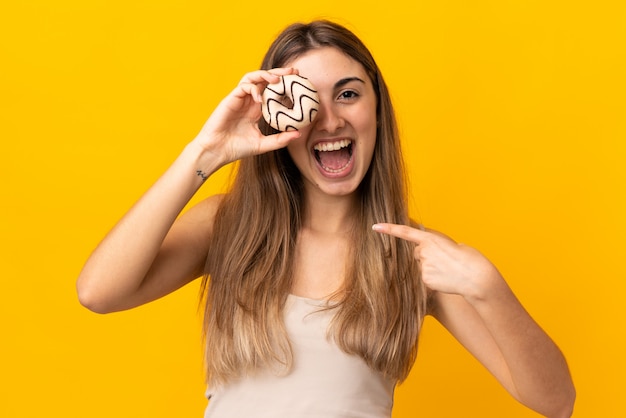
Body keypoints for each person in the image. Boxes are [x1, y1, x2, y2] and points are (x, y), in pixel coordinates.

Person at [76, 20, 576, 418]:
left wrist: (490, 288)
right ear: (278, 120)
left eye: (349, 93)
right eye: (307, 100)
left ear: (377, 110)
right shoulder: (228, 227)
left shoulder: (415, 254)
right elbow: (99, 292)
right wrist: (206, 150)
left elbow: (555, 401)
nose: (330, 120)